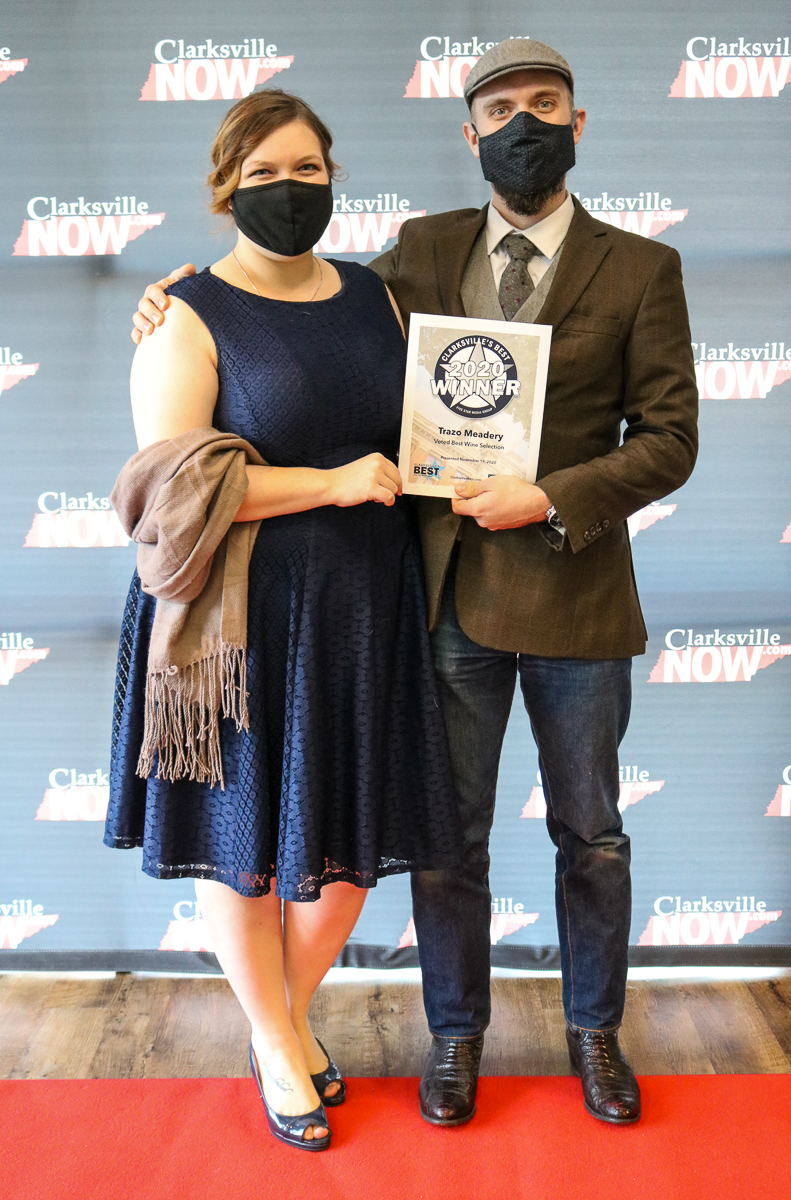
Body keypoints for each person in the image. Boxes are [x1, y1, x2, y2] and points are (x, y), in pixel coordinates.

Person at [131, 41, 698, 1128]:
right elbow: (280, 297)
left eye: (544, 105)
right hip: (442, 601)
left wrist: (549, 496)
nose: (523, 126)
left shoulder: (641, 268)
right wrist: (172, 297)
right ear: (468, 134)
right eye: (501, 109)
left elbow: (669, 440)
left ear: (576, 124)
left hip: (577, 595)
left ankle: (594, 1034)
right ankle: (454, 1038)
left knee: (592, 834)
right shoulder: (416, 255)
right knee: (448, 840)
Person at [107, 89, 461, 1152]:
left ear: (332, 177)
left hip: (364, 611)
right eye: (263, 174)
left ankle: (284, 1018)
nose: (289, 190)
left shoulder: (376, 295)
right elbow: (175, 493)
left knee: (347, 852)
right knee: (241, 846)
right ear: (226, 189)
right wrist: (333, 484)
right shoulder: (184, 315)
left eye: (307, 169)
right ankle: (277, 1042)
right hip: (235, 625)